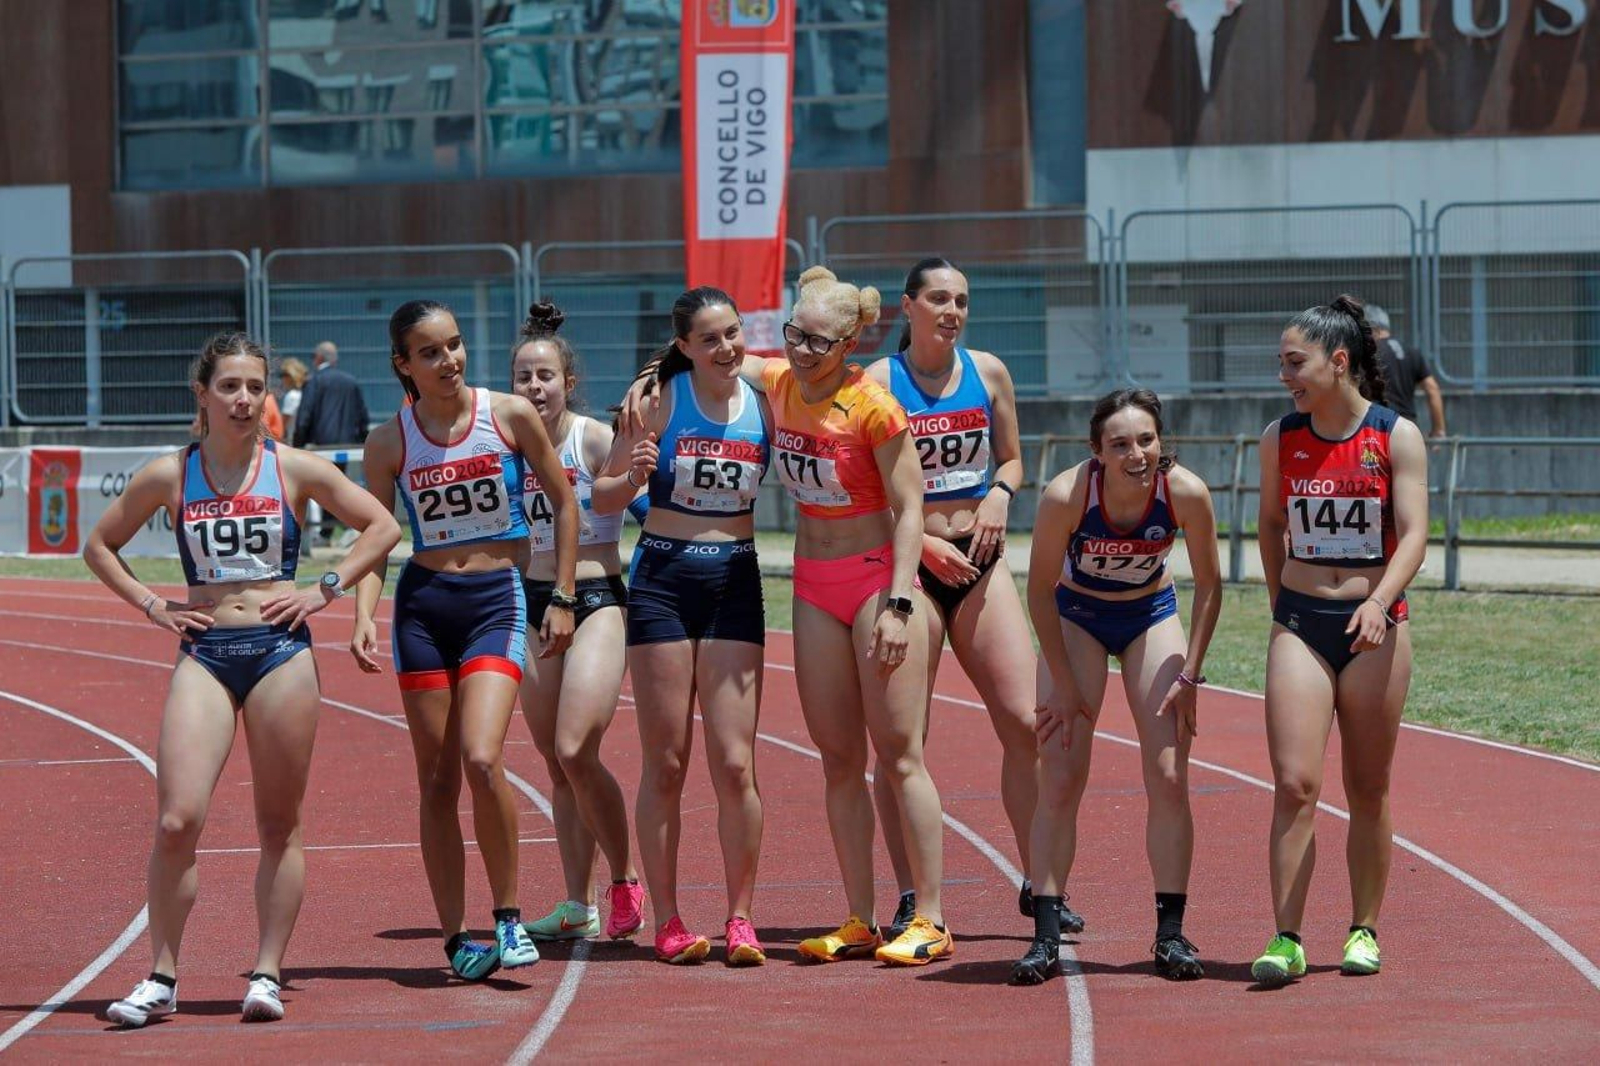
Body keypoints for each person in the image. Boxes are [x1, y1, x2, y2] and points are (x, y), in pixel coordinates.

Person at [84, 333, 399, 1027]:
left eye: (256, 387)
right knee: (178, 819)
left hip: (280, 651)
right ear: (202, 394)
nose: (245, 399)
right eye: (229, 386)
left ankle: (266, 974)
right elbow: (99, 545)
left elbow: (381, 527)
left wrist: (324, 588)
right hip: (206, 651)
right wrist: (153, 605)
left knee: (279, 823)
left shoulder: (293, 467)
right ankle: (161, 978)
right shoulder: (171, 474)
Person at [352, 300, 579, 981]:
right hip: (423, 609)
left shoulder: (507, 416)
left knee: (482, 757)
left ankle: (508, 917)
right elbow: (377, 537)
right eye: (430, 352)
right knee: (437, 780)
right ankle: (456, 939)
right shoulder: (388, 443)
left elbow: (565, 501)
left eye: (453, 344)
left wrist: (563, 594)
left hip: (495, 601)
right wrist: (363, 613)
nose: (448, 359)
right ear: (403, 364)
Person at [866, 257, 1065, 940]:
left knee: (1025, 723)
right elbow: (864, 492)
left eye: (962, 300)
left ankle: (1041, 884)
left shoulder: (989, 372)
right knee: (902, 742)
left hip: (980, 561)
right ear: (907, 307)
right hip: (911, 570)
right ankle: (909, 893)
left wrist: (1002, 494)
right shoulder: (877, 384)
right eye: (939, 299)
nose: (952, 311)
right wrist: (922, 544)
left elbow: (1011, 457)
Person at [1010, 388, 1222, 985]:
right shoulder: (1067, 495)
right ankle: (1045, 937)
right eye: (1120, 444)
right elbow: (1039, 590)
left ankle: (1170, 935)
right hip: (1077, 617)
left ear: (1161, 441)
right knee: (1060, 770)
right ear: (1097, 451)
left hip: (1149, 614)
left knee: (1169, 772)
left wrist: (1190, 674)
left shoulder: (1185, 492)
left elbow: (1211, 584)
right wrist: (1060, 682)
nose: (1136, 454)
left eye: (1146, 441)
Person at [1250, 295, 1428, 987]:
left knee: (1368, 787)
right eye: (1282, 363)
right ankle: (1287, 938)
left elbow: (1414, 535)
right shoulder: (1280, 438)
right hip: (1301, 623)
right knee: (1295, 784)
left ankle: (1364, 929)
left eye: (1295, 363)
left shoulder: (1395, 435)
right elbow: (1270, 524)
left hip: (1375, 626)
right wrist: (1282, 604)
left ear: (1338, 361)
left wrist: (1380, 603)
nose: (1285, 376)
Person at [592, 286, 772, 966]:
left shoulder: (765, 402)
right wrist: (632, 476)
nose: (727, 348)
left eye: (733, 333)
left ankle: (741, 919)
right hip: (664, 579)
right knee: (666, 764)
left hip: (735, 580)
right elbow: (603, 495)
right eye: (711, 338)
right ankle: (667, 919)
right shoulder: (657, 401)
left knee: (735, 762)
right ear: (685, 346)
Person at [510, 300, 644, 945]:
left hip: (595, 599)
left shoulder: (590, 438)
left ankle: (624, 878)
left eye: (545, 377)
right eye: (523, 377)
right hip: (532, 600)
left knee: (574, 747)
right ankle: (576, 902)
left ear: (568, 382)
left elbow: (645, 507)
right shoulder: (505, 446)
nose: (534, 387)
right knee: (555, 764)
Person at [293, 340, 371, 545]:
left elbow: (304, 416)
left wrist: (298, 444)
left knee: (321, 490)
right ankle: (337, 531)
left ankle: (328, 533)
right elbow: (362, 415)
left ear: (318, 358)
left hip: (320, 446)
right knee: (338, 487)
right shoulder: (350, 381)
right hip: (347, 444)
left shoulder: (314, 381)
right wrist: (362, 441)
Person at [1367, 305, 1446, 438]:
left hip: (1379, 427)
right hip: (1408, 428)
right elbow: (1432, 389)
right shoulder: (1411, 351)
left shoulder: (1370, 353)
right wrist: (1438, 431)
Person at [278, 356, 309, 444]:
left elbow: (282, 425)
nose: (282, 379)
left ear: (290, 376)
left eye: (283, 375)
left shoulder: (292, 396)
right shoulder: (306, 393)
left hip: (294, 441)